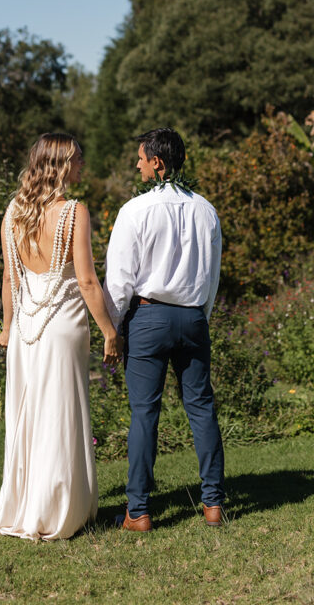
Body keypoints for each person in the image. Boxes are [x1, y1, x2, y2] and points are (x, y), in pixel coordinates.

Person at [0, 132, 121, 541]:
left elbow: (10, 277)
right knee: (59, 414)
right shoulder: (73, 212)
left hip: (27, 326)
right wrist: (109, 332)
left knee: (30, 417)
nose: (82, 166)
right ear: (62, 164)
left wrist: (8, 328)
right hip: (61, 324)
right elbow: (85, 279)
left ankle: (28, 504)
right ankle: (60, 511)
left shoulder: (13, 212)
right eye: (78, 159)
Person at [103, 128, 225, 531]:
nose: (136, 164)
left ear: (157, 162)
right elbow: (211, 275)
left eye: (140, 158)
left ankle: (138, 510)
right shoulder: (206, 209)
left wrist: (113, 326)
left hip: (149, 317)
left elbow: (120, 279)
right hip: (192, 317)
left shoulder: (134, 211)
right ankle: (213, 505)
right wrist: (200, 317)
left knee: (144, 413)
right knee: (202, 408)